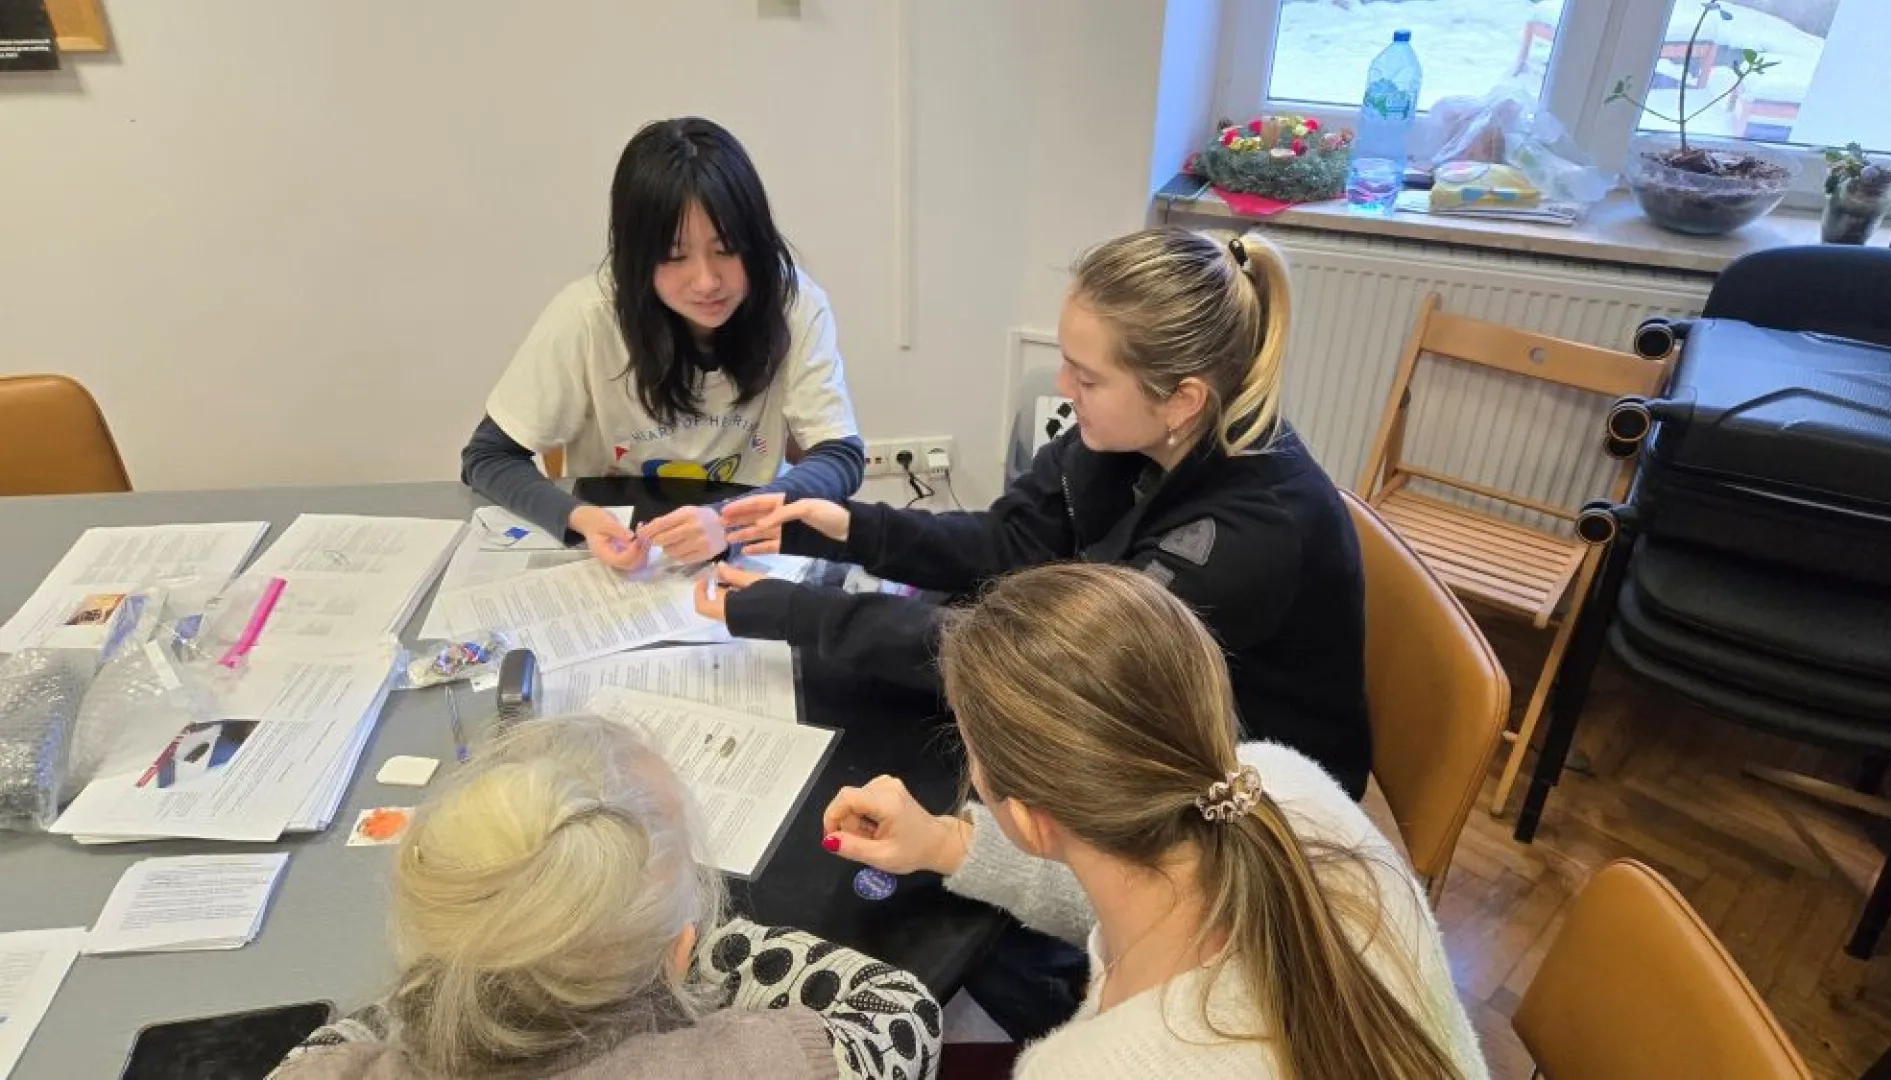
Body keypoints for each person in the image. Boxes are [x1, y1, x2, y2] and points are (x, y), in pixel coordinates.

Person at [702, 226, 1369, 797]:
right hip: (1136, 709)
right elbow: (1010, 541)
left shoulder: (1245, 541)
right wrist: (851, 528)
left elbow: (1038, 669)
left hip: (1254, 793)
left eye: (1087, 376)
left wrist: (799, 613)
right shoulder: (1137, 434)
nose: (1062, 387)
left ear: (1183, 398)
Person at [823, 564, 1487, 1079]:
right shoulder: (1273, 783)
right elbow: (1130, 875)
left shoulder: (1086, 1067)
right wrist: (946, 841)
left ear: (1028, 818)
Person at [268, 718, 940, 1080]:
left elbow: (373, 1023)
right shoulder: (771, 1063)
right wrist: (696, 941)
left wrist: (475, 954)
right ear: (679, 951)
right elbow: (899, 1008)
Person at [461, 116, 864, 572]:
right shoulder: (589, 315)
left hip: (743, 539)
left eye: (727, 248)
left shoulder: (793, 303)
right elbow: (487, 457)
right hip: (621, 551)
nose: (707, 281)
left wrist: (727, 523)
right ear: (637, 256)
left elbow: (841, 456)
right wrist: (579, 519)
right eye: (675, 256)